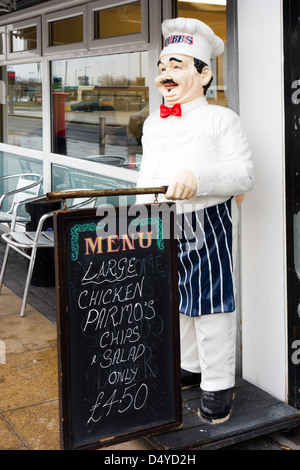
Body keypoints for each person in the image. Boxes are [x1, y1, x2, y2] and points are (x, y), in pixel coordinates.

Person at [136, 17, 254, 423]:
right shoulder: (153, 122)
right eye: (163, 66)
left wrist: (199, 180)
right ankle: (191, 366)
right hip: (161, 219)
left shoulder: (222, 119)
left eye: (178, 65)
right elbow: (147, 174)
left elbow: (245, 177)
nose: (166, 75)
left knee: (211, 305)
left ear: (204, 75)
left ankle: (218, 384)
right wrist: (139, 213)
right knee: (176, 300)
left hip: (207, 219)